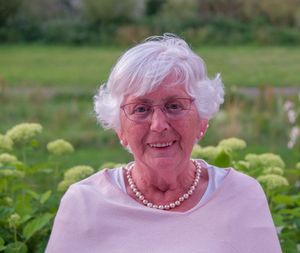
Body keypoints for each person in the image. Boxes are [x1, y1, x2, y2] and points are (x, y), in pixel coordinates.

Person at [46, 34, 282, 253]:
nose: (158, 124)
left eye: (174, 106)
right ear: (120, 129)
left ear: (202, 120)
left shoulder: (241, 196)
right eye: (141, 109)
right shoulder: (84, 204)